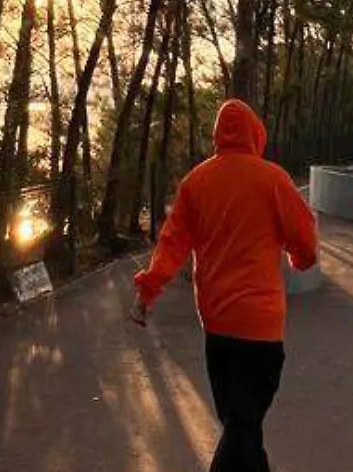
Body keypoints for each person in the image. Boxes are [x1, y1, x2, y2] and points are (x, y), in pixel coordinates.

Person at [131, 99, 318, 472]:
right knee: (242, 427)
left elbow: (171, 244)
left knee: (240, 425)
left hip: (216, 326)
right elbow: (305, 238)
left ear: (217, 135)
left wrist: (148, 290)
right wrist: (300, 261)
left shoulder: (195, 182)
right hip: (261, 327)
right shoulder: (273, 179)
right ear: (255, 133)